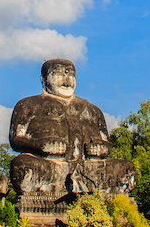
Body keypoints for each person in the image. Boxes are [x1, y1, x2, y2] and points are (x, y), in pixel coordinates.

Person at [8, 59, 135, 199]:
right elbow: (15, 139)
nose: (67, 80)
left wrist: (101, 149)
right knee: (22, 167)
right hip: (51, 167)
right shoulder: (28, 105)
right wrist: (40, 145)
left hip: (91, 169)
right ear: (43, 79)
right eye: (59, 74)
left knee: (126, 169)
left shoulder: (93, 111)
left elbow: (106, 143)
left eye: (71, 75)